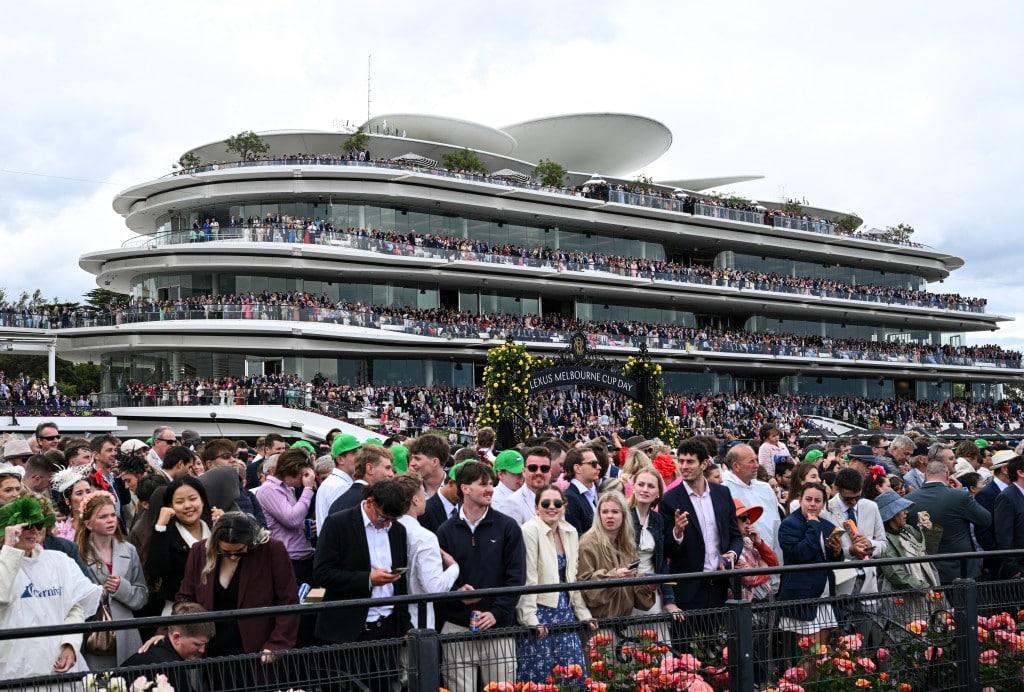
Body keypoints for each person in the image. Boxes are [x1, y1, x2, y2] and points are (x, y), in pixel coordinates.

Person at [175, 512, 299, 685]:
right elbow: (185, 598)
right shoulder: (199, 551)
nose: (232, 557)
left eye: (240, 552)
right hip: (213, 650)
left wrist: (277, 643)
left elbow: (289, 600)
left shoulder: (272, 549)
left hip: (258, 651)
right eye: (224, 552)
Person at [436, 462, 526, 692]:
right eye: (483, 484)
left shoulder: (507, 527)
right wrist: (456, 592)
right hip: (457, 629)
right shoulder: (444, 531)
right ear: (465, 488)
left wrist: (496, 613)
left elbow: (516, 577)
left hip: (498, 630)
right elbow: (436, 578)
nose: (490, 489)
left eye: (491, 484)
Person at [313, 480, 411, 692]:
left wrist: (405, 625)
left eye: (393, 520)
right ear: (369, 502)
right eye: (383, 517)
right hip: (351, 632)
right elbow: (321, 574)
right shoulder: (337, 524)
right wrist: (367, 580)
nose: (387, 524)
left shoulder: (397, 530)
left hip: (387, 631)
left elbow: (401, 583)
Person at [0, 495, 101, 678]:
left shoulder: (59, 561)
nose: (33, 531)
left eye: (38, 525)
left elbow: (75, 607)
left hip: (60, 669)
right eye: (25, 526)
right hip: (16, 673)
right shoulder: (3, 563)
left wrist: (70, 644)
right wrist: (9, 549)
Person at [516, 483, 596, 684]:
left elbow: (573, 577)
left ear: (564, 506)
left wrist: (583, 614)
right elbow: (529, 578)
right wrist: (530, 619)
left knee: (573, 675)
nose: (552, 507)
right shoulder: (529, 530)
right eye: (545, 503)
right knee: (542, 680)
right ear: (536, 507)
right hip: (541, 610)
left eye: (557, 503)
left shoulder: (569, 531)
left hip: (565, 611)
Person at [76, 490, 149, 668]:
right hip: (94, 635)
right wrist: (99, 593)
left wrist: (121, 588)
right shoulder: (78, 554)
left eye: (112, 515)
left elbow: (142, 596)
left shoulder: (129, 550)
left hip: (127, 634)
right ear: (88, 524)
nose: (110, 520)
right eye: (103, 517)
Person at [777, 482, 844, 648]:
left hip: (825, 597)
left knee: (826, 654)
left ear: (823, 504)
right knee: (811, 655)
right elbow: (802, 553)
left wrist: (836, 552)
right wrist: (813, 525)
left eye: (817, 500)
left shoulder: (827, 525)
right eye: (808, 499)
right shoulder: (789, 524)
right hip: (802, 598)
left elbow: (833, 561)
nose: (813, 504)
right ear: (800, 500)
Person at [392, 472, 460, 629]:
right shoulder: (425, 537)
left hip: (393, 620)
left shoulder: (387, 530)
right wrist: (454, 568)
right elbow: (433, 588)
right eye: (423, 494)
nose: (426, 498)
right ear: (415, 499)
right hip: (417, 622)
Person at [906, 459, 991, 583]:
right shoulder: (960, 496)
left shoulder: (908, 500)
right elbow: (986, 519)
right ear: (947, 475)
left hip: (926, 570)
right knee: (967, 602)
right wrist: (963, 493)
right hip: (961, 570)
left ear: (925, 475)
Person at [577, 490, 656, 618]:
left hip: (623, 621)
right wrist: (614, 577)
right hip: (597, 623)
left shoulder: (627, 545)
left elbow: (639, 599)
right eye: (605, 512)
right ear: (599, 515)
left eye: (615, 512)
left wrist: (647, 587)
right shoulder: (588, 543)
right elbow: (584, 590)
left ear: (624, 515)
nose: (609, 516)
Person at [147, 476, 220, 612]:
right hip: (179, 609)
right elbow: (156, 570)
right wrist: (160, 527)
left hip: (216, 606)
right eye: (179, 502)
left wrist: (225, 527)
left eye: (193, 499)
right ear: (170, 506)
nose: (187, 506)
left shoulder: (215, 529)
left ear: (202, 500)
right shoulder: (166, 534)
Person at [875, 490, 944, 620]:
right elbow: (894, 573)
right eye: (901, 509)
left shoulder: (908, 529)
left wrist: (929, 532)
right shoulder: (882, 539)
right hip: (900, 597)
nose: (906, 511)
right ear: (891, 514)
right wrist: (922, 587)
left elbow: (929, 552)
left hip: (924, 591)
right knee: (905, 633)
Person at [628, 468, 682, 626]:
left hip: (652, 592)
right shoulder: (623, 517)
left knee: (656, 645)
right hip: (627, 592)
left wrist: (670, 601)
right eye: (641, 484)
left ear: (658, 492)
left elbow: (662, 562)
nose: (645, 489)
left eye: (651, 486)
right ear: (634, 488)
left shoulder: (658, 520)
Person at [121, 601, 215, 692]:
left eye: (205, 644)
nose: (202, 650)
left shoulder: (162, 652)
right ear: (176, 638)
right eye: (197, 644)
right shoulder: (171, 668)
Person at [257, 448, 316, 584]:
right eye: (302, 475)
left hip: (301, 557)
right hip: (288, 559)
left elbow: (294, 521)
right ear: (290, 472)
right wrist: (308, 489)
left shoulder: (286, 488)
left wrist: (306, 527)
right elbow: (292, 520)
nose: (303, 479)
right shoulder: (268, 489)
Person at [733, 499, 779, 601]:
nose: (749, 521)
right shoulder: (729, 547)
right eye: (744, 518)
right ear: (732, 521)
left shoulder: (749, 541)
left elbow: (774, 564)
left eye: (748, 517)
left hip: (764, 603)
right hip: (745, 606)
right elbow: (749, 578)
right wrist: (766, 568)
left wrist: (759, 544)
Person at [994, 455, 1024, 579]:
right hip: (1020, 567)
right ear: (1021, 473)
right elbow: (1003, 535)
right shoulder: (1007, 497)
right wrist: (1014, 569)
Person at [563, 447, 601, 535]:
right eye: (593, 464)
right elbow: (575, 536)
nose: (599, 467)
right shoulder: (570, 498)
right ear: (577, 468)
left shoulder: (596, 491)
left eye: (597, 463)